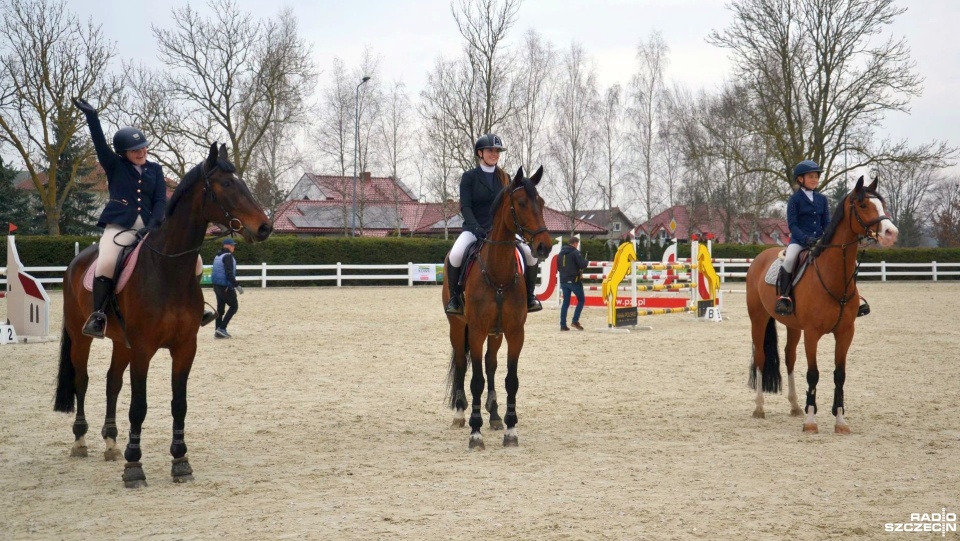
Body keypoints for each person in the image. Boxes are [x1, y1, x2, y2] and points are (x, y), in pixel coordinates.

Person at [73, 98, 214, 338]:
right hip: (119, 227)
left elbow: (160, 200)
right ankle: (98, 315)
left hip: (153, 226)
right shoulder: (115, 166)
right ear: (123, 153)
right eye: (135, 150)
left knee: (197, 261)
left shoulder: (155, 170)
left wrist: (152, 225)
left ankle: (193, 306)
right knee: (106, 262)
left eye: (144, 148)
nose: (141, 152)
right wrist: (92, 117)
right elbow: (99, 144)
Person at [444, 133, 542, 315]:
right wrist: (475, 227)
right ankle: (455, 298)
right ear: (480, 153)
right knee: (456, 254)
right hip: (475, 229)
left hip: (501, 231)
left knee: (530, 254)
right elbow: (465, 206)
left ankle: (529, 296)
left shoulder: (505, 177)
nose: (494, 154)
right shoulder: (469, 177)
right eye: (490, 150)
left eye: (497, 151)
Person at [776, 159, 831, 316]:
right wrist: (805, 239)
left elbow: (826, 223)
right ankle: (784, 297)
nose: (815, 179)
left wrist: (828, 237)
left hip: (820, 240)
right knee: (789, 259)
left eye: (816, 176)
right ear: (801, 179)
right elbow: (793, 225)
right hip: (800, 241)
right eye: (811, 176)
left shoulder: (822, 199)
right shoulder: (795, 199)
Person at [212, 237, 243, 338]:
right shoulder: (228, 256)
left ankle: (218, 330)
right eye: (233, 245)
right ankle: (222, 328)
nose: (234, 247)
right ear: (228, 246)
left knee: (220, 309)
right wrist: (236, 285)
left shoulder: (217, 255)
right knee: (234, 306)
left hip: (216, 286)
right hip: (225, 286)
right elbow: (229, 273)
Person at [559, 236, 588, 331]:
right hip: (574, 281)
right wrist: (586, 261)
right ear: (575, 243)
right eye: (577, 244)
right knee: (581, 300)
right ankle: (575, 320)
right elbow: (582, 264)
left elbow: (558, 267)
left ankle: (563, 325)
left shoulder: (560, 253)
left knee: (565, 303)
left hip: (563, 280)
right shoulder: (575, 252)